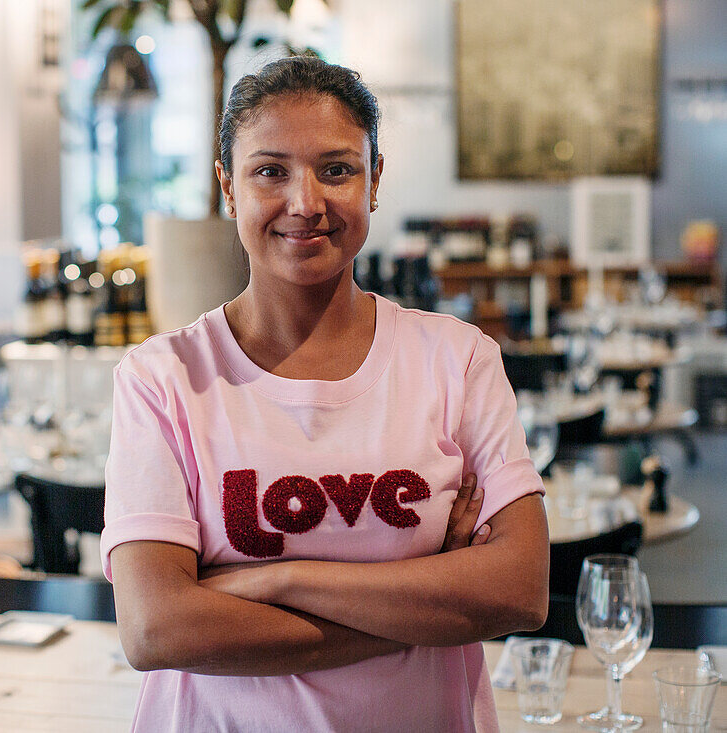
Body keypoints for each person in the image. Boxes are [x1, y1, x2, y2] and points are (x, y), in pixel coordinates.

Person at [101, 56, 549, 732]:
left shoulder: (458, 359)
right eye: (270, 170)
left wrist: (276, 579)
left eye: (336, 168)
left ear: (373, 183)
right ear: (229, 187)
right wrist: (427, 603)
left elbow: (519, 588)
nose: (304, 202)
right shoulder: (163, 379)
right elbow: (157, 628)